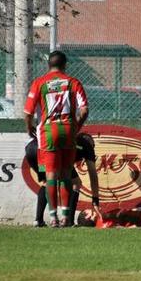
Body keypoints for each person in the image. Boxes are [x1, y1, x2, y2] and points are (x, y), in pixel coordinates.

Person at [23, 51, 88, 227]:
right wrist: (76, 128)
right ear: (65, 65)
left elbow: (28, 112)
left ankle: (53, 217)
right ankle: (66, 216)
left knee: (51, 175)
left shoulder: (39, 83)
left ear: (48, 65)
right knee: (67, 173)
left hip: (48, 131)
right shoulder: (73, 83)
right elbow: (84, 110)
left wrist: (29, 127)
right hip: (68, 130)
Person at [25, 133, 100, 227]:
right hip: (49, 151)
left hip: (32, 149)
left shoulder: (72, 139)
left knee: (47, 182)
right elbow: (92, 174)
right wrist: (95, 200)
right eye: (93, 145)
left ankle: (38, 220)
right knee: (76, 183)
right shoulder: (87, 145)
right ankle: (69, 220)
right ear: (90, 143)